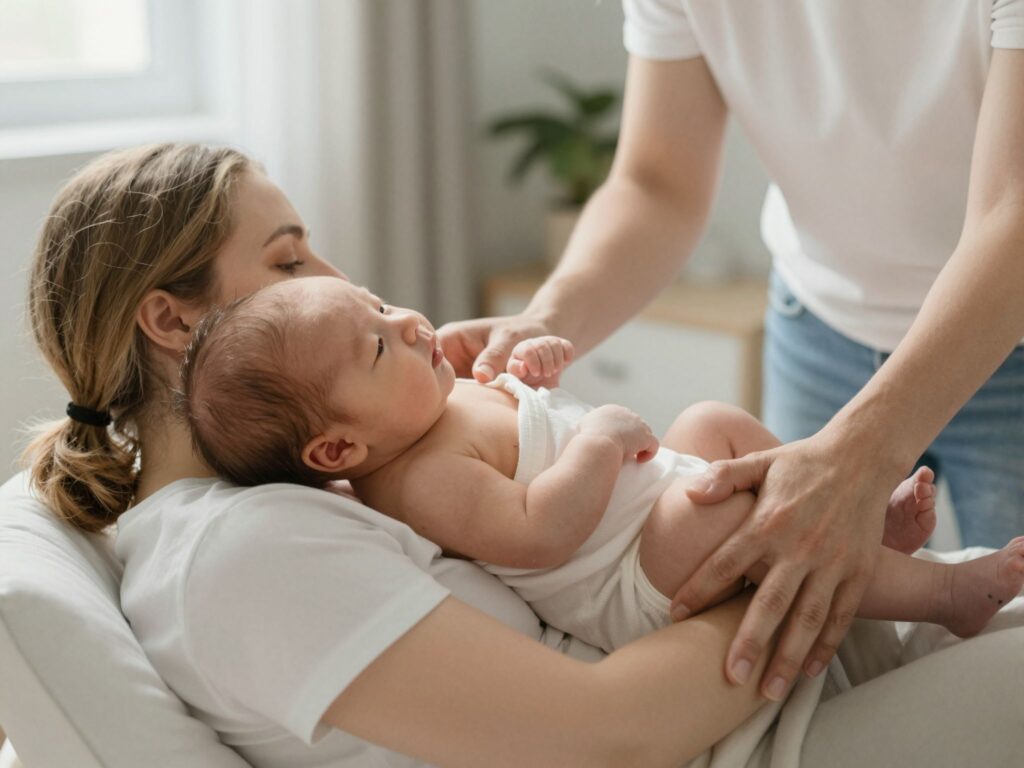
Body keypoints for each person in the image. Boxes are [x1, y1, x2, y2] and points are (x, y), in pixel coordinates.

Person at [21, 142, 1024, 768]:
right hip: (766, 730)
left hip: (779, 685)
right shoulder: (238, 555)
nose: (333, 278)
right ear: (171, 317)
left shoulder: (315, 485)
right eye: (287, 259)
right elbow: (609, 736)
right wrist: (796, 553)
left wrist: (463, 401)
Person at [437, 0, 1024, 702]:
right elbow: (657, 183)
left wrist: (857, 456)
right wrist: (546, 319)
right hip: (818, 325)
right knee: (831, 654)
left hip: (1005, 332)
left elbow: (1013, 214)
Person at [180, 275, 1024, 662]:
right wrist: (599, 441)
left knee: (715, 425)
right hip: (633, 577)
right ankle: (946, 596)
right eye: (376, 343)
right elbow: (540, 532)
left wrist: (537, 365)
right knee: (721, 511)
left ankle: (861, 531)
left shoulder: (441, 405)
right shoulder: (417, 478)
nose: (405, 322)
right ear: (337, 452)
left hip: (656, 500)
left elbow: (534, 409)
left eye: (378, 302)